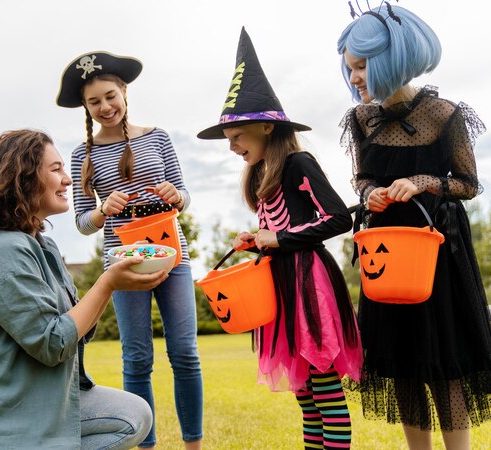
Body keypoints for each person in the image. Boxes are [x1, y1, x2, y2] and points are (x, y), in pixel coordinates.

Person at [0, 129, 164, 449]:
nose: (68, 180)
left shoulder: (43, 246)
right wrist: (108, 282)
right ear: (23, 178)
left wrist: (113, 283)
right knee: (128, 417)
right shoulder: (2, 249)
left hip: (34, 402)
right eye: (56, 170)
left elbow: (76, 328)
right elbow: (52, 344)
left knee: (133, 414)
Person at [198, 28, 363, 449]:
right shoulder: (260, 175)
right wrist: (255, 240)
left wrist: (278, 239)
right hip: (279, 287)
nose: (232, 146)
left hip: (310, 284)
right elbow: (276, 232)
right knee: (305, 395)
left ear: (266, 128)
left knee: (324, 385)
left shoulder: (298, 164)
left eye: (236, 137)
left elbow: (339, 219)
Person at [337, 4, 491, 449]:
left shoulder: (445, 114)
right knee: (402, 360)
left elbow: (468, 183)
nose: (355, 79)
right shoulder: (361, 120)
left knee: (447, 359)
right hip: (386, 256)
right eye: (350, 70)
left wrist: (423, 182)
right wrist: (371, 194)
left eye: (361, 67)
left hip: (440, 252)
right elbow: (361, 177)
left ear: (394, 59)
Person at [56, 51, 203, 449]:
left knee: (185, 354)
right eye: (94, 102)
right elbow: (83, 223)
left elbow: (184, 195)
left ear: (124, 92)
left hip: (173, 256)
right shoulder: (81, 154)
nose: (105, 107)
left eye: (110, 96)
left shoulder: (157, 136)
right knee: (137, 360)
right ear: (85, 108)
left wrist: (178, 196)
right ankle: (146, 443)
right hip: (123, 265)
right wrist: (103, 209)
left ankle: (194, 445)